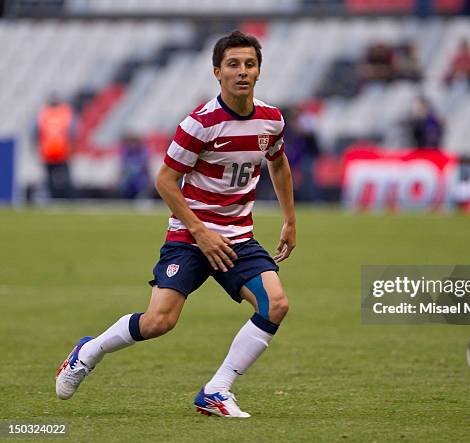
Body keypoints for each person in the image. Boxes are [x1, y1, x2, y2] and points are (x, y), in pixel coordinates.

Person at [55, 31, 296, 419]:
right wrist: (200, 231)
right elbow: (165, 180)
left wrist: (289, 220)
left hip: (237, 237)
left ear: (259, 71)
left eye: (249, 64)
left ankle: (217, 391)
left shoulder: (271, 120)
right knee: (159, 322)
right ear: (217, 72)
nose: (242, 72)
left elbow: (278, 162)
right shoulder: (199, 124)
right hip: (190, 236)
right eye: (233, 64)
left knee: (276, 304)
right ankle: (87, 352)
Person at [37, 94, 76, 199]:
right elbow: (72, 132)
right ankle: (67, 199)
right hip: (62, 151)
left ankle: (53, 198)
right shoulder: (65, 113)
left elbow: (36, 133)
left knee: (50, 179)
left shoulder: (44, 114)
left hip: (48, 152)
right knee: (65, 179)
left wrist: (38, 148)